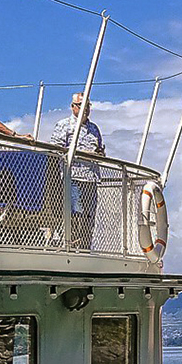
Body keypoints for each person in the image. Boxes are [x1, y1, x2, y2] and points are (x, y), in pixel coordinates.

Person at [50, 92, 107, 248]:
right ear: (72, 106)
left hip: (91, 178)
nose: (85, 109)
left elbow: (99, 149)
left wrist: (99, 154)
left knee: (89, 215)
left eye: (87, 106)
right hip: (73, 176)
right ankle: (72, 245)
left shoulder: (94, 128)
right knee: (76, 212)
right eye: (81, 105)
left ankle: (85, 246)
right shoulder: (64, 125)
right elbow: (55, 149)